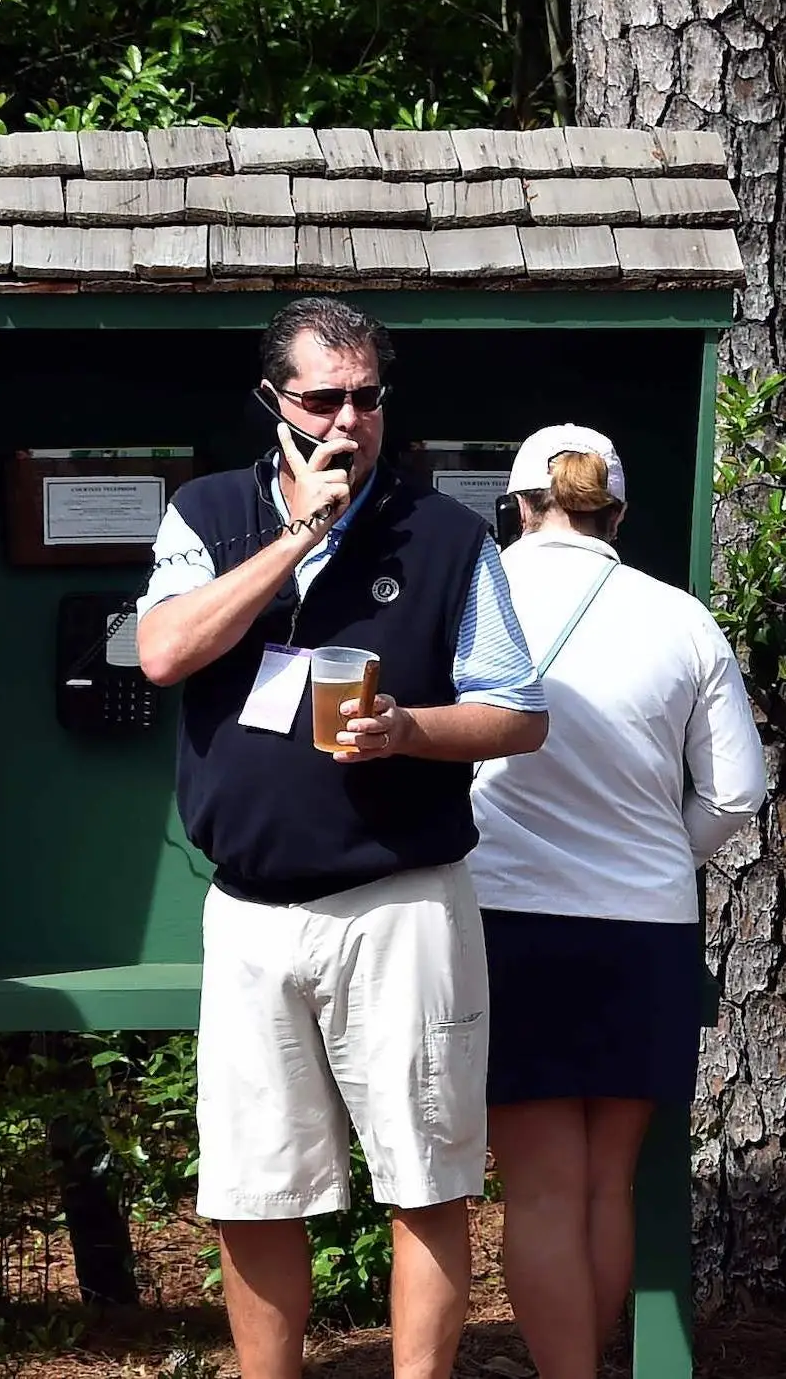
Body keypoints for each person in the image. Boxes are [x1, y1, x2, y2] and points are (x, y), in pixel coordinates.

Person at [134, 296, 549, 1379]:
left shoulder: (450, 534)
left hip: (402, 902)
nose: (347, 421)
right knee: (252, 1188)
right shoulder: (209, 514)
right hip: (252, 913)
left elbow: (518, 711)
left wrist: (411, 730)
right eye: (323, 398)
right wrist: (298, 536)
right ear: (274, 402)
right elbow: (164, 652)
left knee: (428, 1176)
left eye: (366, 398)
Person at [467, 425, 765, 1379]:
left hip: (507, 918)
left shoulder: (478, 600)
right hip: (647, 931)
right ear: (619, 513)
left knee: (542, 1192)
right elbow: (735, 793)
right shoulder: (680, 617)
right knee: (607, 1182)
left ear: (514, 507)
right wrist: (652, 861)